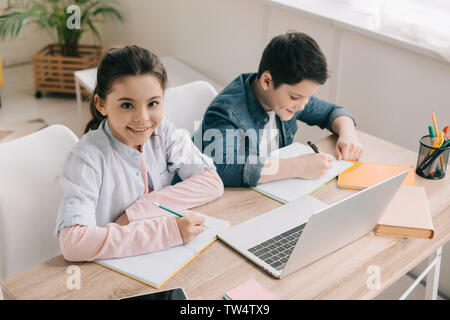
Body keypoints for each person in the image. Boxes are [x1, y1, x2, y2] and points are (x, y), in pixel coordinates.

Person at [55, 45, 224, 262]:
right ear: (101, 104)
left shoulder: (163, 131)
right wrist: (168, 232)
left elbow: (211, 182)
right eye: (127, 105)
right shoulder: (86, 158)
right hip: (108, 267)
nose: (142, 118)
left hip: (157, 257)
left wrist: (137, 211)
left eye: (153, 103)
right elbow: (74, 243)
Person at [195, 31, 364, 187]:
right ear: (267, 81)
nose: (303, 105)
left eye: (308, 97)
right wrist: (297, 166)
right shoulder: (227, 112)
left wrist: (348, 135)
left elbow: (333, 112)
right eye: (296, 97)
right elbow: (223, 168)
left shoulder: (289, 100)